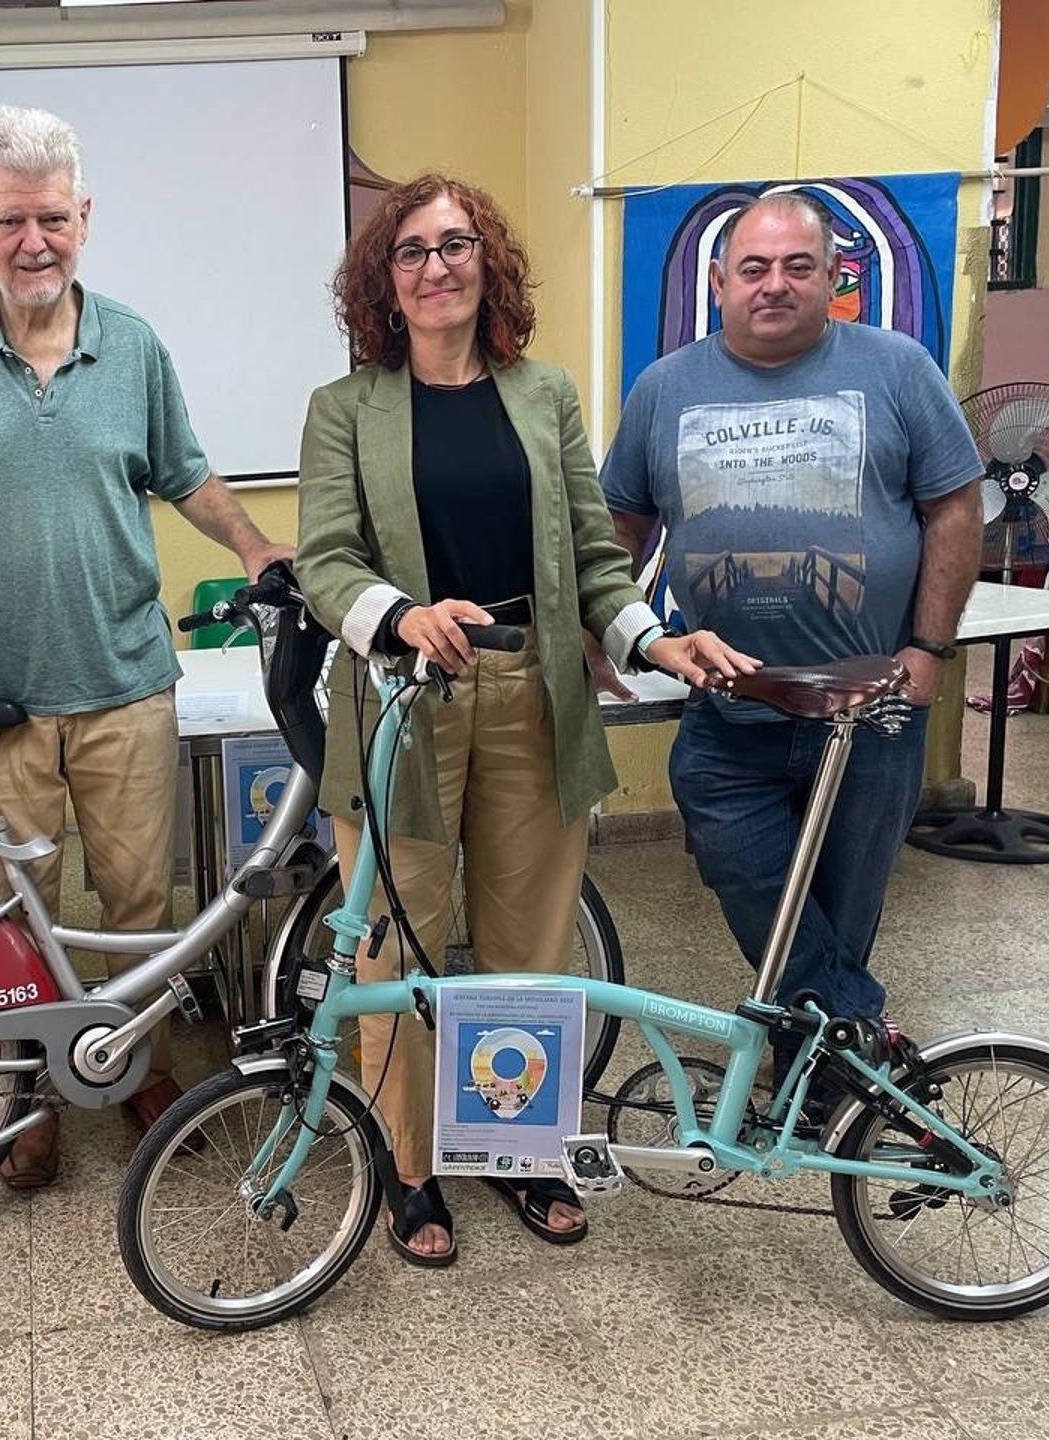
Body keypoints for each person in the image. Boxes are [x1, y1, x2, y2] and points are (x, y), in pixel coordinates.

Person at [295, 173, 752, 1266]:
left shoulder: (544, 395)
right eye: (411, 250)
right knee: (392, 951)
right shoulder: (343, 410)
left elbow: (597, 559)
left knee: (528, 948)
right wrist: (402, 615)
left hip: (533, 697)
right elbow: (324, 561)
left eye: (455, 244)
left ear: (485, 263)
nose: (436, 265)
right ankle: (408, 1170)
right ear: (383, 281)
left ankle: (517, 1150)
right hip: (401, 705)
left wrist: (652, 639)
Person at [0, 105, 290, 1189]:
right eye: (11, 221)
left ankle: (138, 1072)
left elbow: (185, 475)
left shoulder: (131, 342)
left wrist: (256, 541)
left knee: (139, 910)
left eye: (52, 217)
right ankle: (24, 1093)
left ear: (85, 217)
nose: (33, 239)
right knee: (10, 919)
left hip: (127, 686)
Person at [600, 193, 983, 1085]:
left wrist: (929, 646)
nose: (775, 285)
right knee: (746, 872)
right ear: (720, 280)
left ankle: (813, 1071)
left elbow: (953, 505)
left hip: (870, 704)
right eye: (756, 268)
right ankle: (859, 1035)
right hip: (731, 704)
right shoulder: (665, 388)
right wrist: (611, 639)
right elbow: (619, 526)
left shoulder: (898, 369)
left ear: (832, 278)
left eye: (797, 266)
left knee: (846, 903)